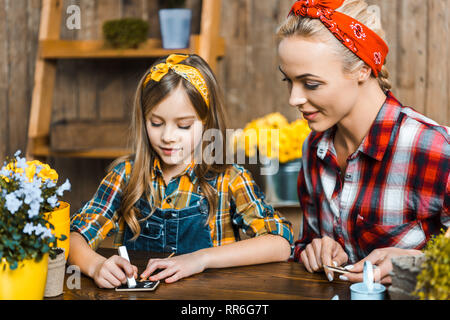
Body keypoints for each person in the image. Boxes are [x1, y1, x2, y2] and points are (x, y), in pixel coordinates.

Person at [68, 54, 293, 288]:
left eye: (183, 125)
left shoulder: (230, 179)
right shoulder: (126, 176)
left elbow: (280, 242)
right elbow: (72, 238)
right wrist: (95, 266)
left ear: (207, 120)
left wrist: (201, 258)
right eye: (156, 123)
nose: (167, 137)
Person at [277, 0, 449, 284]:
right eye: (289, 81)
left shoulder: (433, 147)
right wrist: (316, 249)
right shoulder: (313, 148)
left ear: (362, 70)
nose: (293, 99)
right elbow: (309, 242)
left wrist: (421, 264)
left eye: (311, 84)